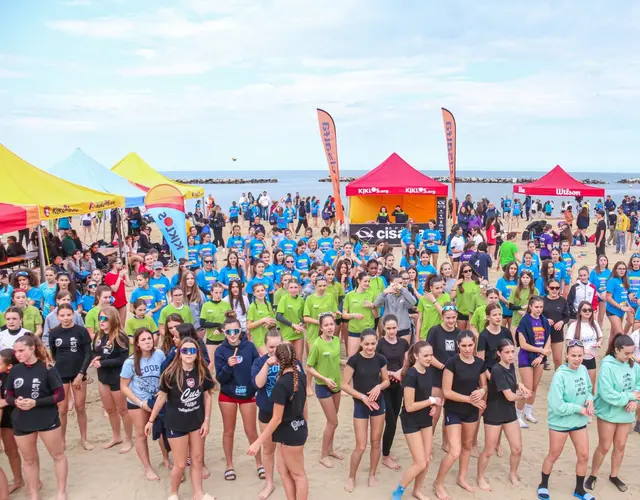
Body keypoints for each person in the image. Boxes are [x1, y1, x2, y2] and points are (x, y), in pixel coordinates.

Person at [144, 337, 215, 500]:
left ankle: (198, 493)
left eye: (192, 350)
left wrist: (206, 420)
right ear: (179, 353)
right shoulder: (170, 373)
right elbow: (161, 398)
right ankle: (174, 493)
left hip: (196, 423)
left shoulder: (202, 371)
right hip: (176, 424)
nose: (189, 354)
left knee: (197, 459)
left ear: (197, 353)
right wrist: (151, 420)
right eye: (185, 350)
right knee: (180, 464)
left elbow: (207, 397)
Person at [6, 334, 68, 500]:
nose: (17, 354)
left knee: (57, 455)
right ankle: (34, 494)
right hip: (22, 419)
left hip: (46, 417)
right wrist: (16, 401)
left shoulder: (47, 368)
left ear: (32, 348)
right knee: (29, 460)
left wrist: (36, 402)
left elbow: (60, 395)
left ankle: (61, 491)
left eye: (21, 350)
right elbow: (9, 395)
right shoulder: (15, 370)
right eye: (15, 351)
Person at [248, 343, 309, 500]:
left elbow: (276, 419)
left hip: (290, 433)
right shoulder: (299, 376)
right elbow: (303, 405)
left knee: (298, 474)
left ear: (278, 360)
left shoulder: (281, 385)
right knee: (282, 470)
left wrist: (257, 442)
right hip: (293, 429)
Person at [537, 340, 594, 500]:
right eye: (574, 355)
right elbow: (558, 406)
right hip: (560, 422)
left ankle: (579, 489)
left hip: (579, 421)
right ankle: (543, 485)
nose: (577, 359)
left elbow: (589, 390)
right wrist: (579, 408)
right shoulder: (560, 375)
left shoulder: (583, 369)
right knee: (554, 455)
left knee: (583, 455)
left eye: (580, 356)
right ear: (567, 356)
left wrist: (589, 400)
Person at [433, 330, 487, 499]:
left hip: (471, 411)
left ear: (474, 345)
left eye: (470, 345)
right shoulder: (452, 363)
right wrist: (469, 399)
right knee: (454, 451)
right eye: (463, 346)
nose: (467, 349)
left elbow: (484, 385)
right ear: (458, 346)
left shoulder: (479, 363)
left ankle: (461, 478)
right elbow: (447, 392)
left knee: (467, 446)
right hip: (454, 411)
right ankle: (438, 483)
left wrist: (482, 392)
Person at [584, 333, 640, 494]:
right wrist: (630, 397)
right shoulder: (607, 366)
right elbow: (608, 394)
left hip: (626, 412)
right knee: (605, 446)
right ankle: (593, 474)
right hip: (608, 411)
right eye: (627, 353)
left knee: (620, 445)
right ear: (616, 350)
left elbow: (638, 383)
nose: (631, 356)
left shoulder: (634, 365)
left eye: (632, 352)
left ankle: (614, 475)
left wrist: (634, 401)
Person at [214, 314, 263, 482]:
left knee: (251, 431)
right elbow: (220, 378)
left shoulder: (249, 347)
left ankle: (259, 463)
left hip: (247, 394)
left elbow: (257, 368)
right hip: (228, 395)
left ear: (240, 331)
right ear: (223, 332)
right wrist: (228, 366)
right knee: (229, 431)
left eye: (236, 331)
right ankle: (229, 465)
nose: (233, 334)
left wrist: (255, 388)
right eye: (229, 332)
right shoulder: (221, 351)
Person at [391, 341, 441, 500]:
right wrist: (432, 401)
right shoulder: (411, 374)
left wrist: (431, 406)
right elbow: (410, 406)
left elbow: (426, 396)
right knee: (419, 462)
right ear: (415, 356)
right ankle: (398, 491)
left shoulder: (428, 371)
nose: (429, 358)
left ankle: (417, 490)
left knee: (426, 460)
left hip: (425, 417)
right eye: (425, 355)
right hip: (411, 420)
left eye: (431, 355)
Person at [341, 329, 390, 492]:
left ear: (377, 342)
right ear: (361, 343)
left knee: (376, 442)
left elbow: (386, 381)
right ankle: (351, 476)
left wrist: (379, 386)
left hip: (378, 403)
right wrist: (362, 397)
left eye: (373, 343)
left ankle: (371, 474)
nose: (370, 347)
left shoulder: (381, 359)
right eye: (367, 344)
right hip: (361, 404)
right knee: (361, 445)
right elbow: (344, 384)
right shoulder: (354, 360)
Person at [477, 339, 528, 491]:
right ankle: (480, 477)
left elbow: (512, 382)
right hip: (494, 412)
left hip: (509, 412)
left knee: (517, 448)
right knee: (489, 450)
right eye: (507, 352)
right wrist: (524, 396)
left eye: (512, 351)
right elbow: (510, 396)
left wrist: (520, 385)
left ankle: (513, 473)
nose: (511, 355)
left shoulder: (510, 365)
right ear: (499, 354)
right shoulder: (497, 370)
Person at [120, 327, 166, 481]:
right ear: (137, 344)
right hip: (138, 402)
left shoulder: (159, 354)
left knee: (162, 431)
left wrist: (162, 390)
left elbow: (165, 374)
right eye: (143, 340)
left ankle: (166, 459)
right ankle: (147, 468)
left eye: (149, 338)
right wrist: (140, 403)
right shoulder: (130, 362)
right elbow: (124, 387)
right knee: (141, 434)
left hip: (156, 399)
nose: (147, 342)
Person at [90, 305, 133, 453]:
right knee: (109, 409)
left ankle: (128, 438)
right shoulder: (99, 335)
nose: (101, 321)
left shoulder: (120, 336)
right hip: (103, 377)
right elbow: (94, 352)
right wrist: (95, 359)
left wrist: (103, 362)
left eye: (104, 318)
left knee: (122, 409)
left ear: (112, 319)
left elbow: (123, 358)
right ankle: (116, 436)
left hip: (117, 377)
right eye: (99, 318)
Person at [48, 304, 92, 450]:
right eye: (62, 315)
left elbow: (88, 354)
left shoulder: (81, 331)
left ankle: (84, 439)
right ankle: (62, 440)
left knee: (80, 407)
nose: (66, 318)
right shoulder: (54, 332)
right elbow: (54, 353)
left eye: (68, 315)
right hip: (61, 374)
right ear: (58, 316)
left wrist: (81, 374)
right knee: (62, 409)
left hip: (78, 373)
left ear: (73, 314)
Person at [306, 313, 343, 468]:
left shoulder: (336, 340)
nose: (330, 327)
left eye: (331, 324)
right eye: (326, 325)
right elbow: (309, 367)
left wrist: (348, 363)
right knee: (333, 421)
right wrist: (324, 379)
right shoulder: (317, 344)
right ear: (320, 327)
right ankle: (323, 455)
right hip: (323, 386)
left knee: (333, 422)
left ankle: (330, 449)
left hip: (337, 385)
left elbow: (336, 359)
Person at [376, 314, 409, 471]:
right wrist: (390, 373)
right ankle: (385, 455)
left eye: (394, 328)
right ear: (383, 328)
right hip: (385, 386)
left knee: (394, 419)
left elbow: (407, 362)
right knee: (390, 421)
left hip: (399, 386)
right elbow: (376, 364)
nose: (391, 331)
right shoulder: (380, 344)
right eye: (388, 328)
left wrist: (400, 372)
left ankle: (386, 451)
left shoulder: (403, 343)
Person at [516, 296, 552, 428]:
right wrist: (541, 351)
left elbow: (548, 338)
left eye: (541, 307)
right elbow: (523, 344)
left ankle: (528, 412)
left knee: (535, 387)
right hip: (526, 357)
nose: (539, 309)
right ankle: (518, 414)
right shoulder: (525, 321)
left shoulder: (544, 320)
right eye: (536, 307)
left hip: (539, 358)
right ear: (530, 307)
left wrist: (541, 356)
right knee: (527, 387)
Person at [565, 301, 603, 387]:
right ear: (579, 312)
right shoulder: (574, 325)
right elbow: (568, 342)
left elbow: (600, 337)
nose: (588, 312)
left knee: (591, 385)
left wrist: (599, 342)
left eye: (590, 310)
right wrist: (583, 350)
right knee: (577, 385)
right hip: (577, 359)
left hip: (591, 358)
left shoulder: (594, 324)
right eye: (584, 310)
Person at [342, 273, 376, 357]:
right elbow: (344, 315)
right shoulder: (349, 295)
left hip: (368, 331)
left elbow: (376, 315)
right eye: (365, 281)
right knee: (352, 358)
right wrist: (353, 315)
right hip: (354, 330)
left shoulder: (372, 294)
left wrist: (372, 306)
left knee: (368, 357)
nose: (367, 283)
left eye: (368, 281)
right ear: (358, 281)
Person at [543, 279, 570, 369]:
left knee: (558, 360)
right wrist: (545, 320)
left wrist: (561, 322)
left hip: (557, 333)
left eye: (557, 288)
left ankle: (558, 380)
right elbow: (536, 315)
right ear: (548, 288)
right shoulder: (542, 300)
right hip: (542, 333)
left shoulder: (563, 301)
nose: (554, 290)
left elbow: (567, 316)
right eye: (552, 287)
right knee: (540, 360)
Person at [104, 257, 131, 326]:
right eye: (119, 263)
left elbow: (128, 284)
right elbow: (114, 289)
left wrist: (126, 274)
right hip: (113, 303)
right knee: (114, 324)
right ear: (113, 264)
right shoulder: (109, 275)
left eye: (121, 262)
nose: (121, 264)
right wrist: (119, 277)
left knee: (122, 324)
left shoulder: (120, 273)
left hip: (122, 301)